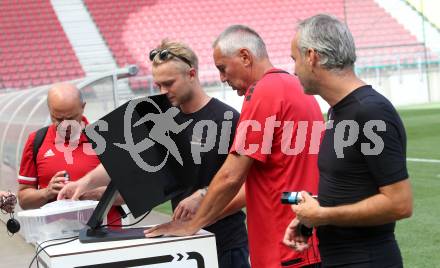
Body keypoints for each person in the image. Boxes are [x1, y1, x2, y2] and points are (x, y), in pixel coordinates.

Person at [143, 26, 324, 268]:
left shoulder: (262, 92)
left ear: (245, 57)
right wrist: (203, 195)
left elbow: (231, 175)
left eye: (223, 68)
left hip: (283, 245)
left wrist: (191, 225)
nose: (222, 78)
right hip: (305, 237)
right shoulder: (299, 89)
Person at [58, 41, 250, 268]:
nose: (163, 92)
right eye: (158, 85)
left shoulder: (227, 119)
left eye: (169, 83)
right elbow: (125, 161)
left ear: (191, 74)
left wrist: (203, 212)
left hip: (225, 245)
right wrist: (85, 183)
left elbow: (248, 188)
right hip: (184, 242)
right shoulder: (162, 120)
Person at [284, 14, 413, 267]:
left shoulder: (370, 111)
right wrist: (310, 219)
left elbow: (399, 204)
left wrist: (324, 215)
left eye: (295, 59)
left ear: (311, 57)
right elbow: (353, 185)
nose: (294, 69)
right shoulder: (338, 110)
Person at [17, 83, 123, 224]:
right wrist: (46, 192)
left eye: (71, 118)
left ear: (83, 107)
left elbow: (131, 194)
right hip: (55, 238)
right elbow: (24, 201)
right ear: (49, 111)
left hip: (104, 236)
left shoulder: (106, 137)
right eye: (58, 119)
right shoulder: (36, 140)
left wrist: (90, 193)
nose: (65, 125)